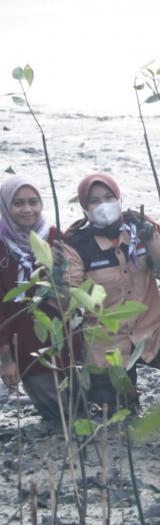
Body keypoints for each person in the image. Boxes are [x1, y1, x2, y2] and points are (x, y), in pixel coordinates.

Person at [62, 173, 160, 409]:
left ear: (120, 198)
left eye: (109, 197)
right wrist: (60, 284)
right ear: (84, 207)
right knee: (119, 415)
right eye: (95, 201)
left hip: (151, 331)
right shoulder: (76, 244)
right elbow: (71, 295)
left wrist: (154, 241)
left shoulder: (141, 228)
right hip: (107, 343)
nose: (104, 205)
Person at [0, 175, 79, 421]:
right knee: (58, 417)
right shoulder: (2, 246)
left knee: (81, 411)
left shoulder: (54, 237)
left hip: (67, 342)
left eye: (33, 202)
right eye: (19, 203)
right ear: (5, 206)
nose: (28, 209)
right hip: (26, 349)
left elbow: (74, 282)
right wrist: (6, 358)